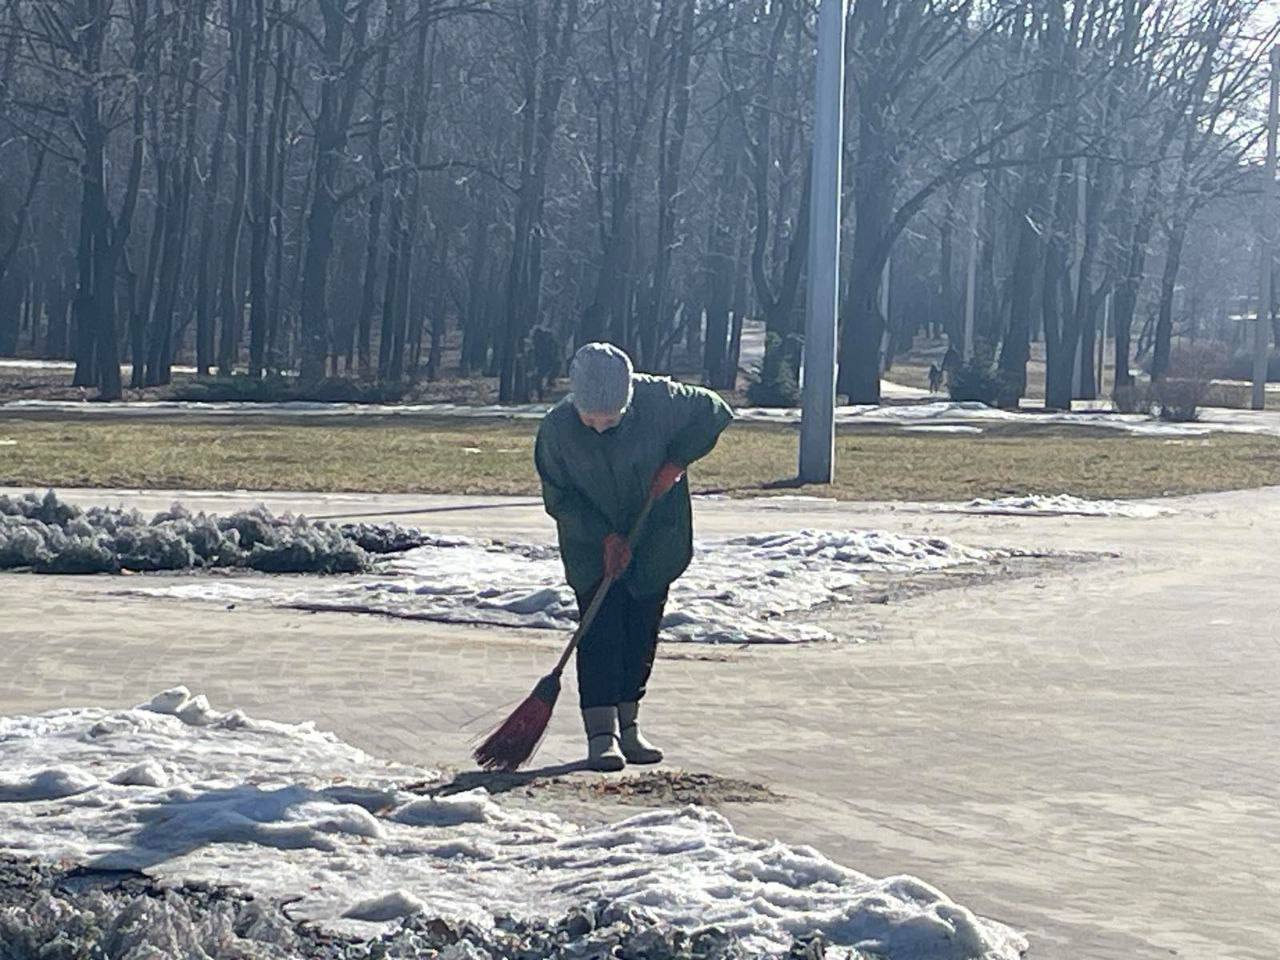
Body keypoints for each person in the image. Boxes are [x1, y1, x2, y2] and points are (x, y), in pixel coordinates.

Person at [534, 342, 734, 771]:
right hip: (591, 545)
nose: (602, 427)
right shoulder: (556, 430)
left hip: (654, 535)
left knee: (641, 631)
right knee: (600, 629)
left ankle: (629, 725)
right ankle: (600, 733)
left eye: (612, 418)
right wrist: (603, 537)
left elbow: (715, 410)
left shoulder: (661, 401)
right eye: (593, 419)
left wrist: (678, 459)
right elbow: (559, 497)